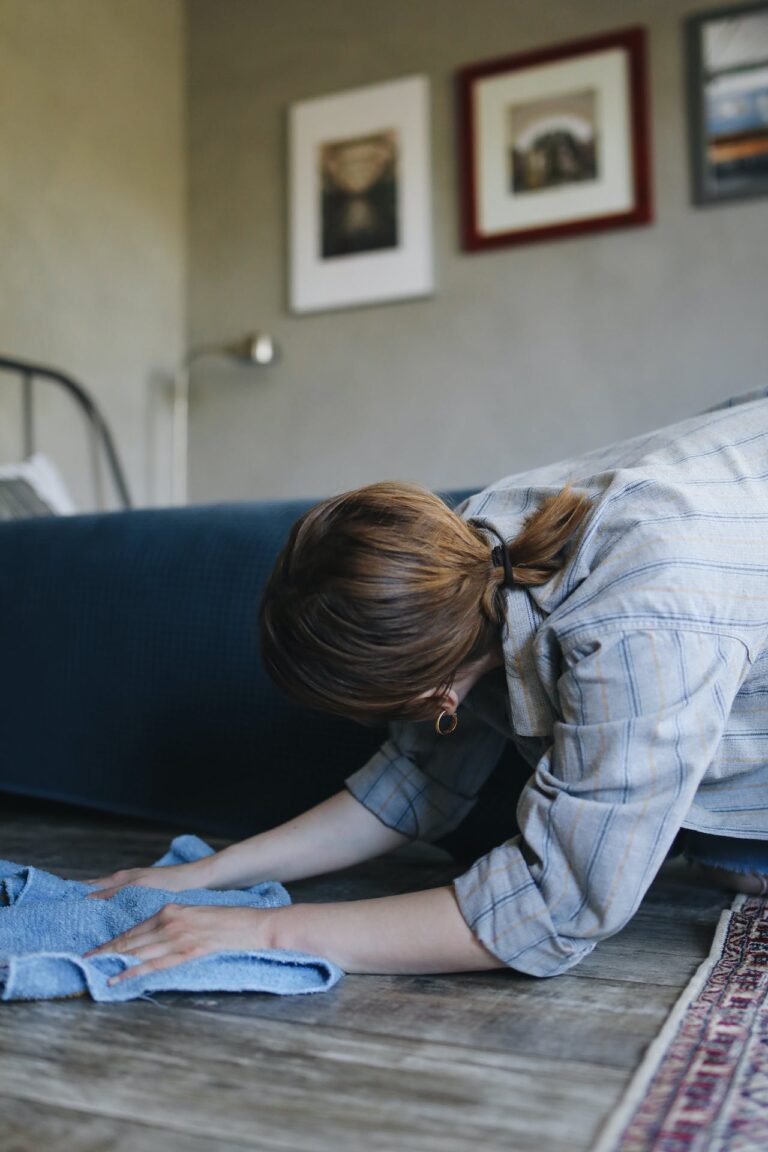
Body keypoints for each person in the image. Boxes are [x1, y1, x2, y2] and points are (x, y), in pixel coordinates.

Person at [84, 386, 768, 987]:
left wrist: (264, 932)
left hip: (695, 573)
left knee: (729, 865)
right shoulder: (464, 554)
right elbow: (412, 783)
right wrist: (200, 876)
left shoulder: (639, 629)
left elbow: (555, 910)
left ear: (439, 698)